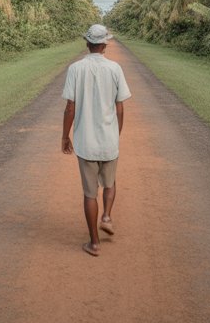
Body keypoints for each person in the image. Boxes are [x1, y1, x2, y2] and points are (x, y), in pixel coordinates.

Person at [61, 23, 131, 257]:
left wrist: (65, 136)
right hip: (108, 139)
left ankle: (94, 243)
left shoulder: (75, 69)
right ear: (105, 44)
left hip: (85, 141)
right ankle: (107, 216)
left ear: (87, 43)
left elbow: (70, 106)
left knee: (90, 193)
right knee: (110, 183)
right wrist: (116, 134)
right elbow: (119, 106)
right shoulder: (115, 68)